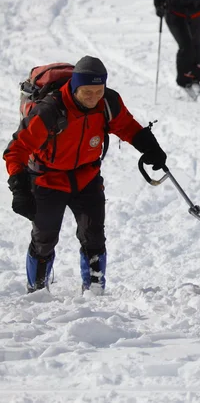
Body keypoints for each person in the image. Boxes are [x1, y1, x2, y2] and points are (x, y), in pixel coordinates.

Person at [4, 56, 168, 294]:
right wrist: (19, 187)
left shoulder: (108, 103)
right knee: (44, 239)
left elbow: (126, 125)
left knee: (94, 237)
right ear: (74, 87)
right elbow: (16, 149)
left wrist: (150, 147)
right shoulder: (50, 110)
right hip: (48, 179)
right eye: (86, 92)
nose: (93, 98)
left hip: (87, 177)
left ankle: (94, 291)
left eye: (98, 91)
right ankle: (37, 292)